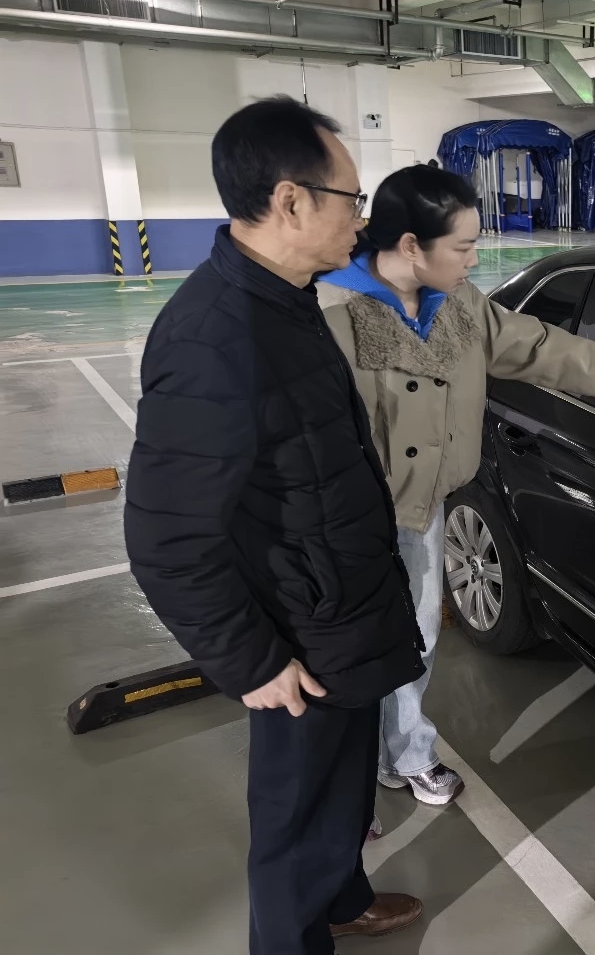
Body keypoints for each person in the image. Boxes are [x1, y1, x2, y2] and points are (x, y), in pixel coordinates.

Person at [123, 97, 426, 954]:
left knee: (342, 784)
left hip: (337, 605)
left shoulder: (284, 299)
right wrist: (250, 660)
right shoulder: (214, 339)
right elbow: (165, 537)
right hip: (294, 628)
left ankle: (341, 899)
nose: (361, 219)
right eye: (352, 199)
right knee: (296, 808)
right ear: (291, 201)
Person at [316, 165, 595, 807]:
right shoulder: (332, 315)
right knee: (365, 648)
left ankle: (399, 754)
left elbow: (533, 345)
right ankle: (374, 765)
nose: (474, 260)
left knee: (415, 638)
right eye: (462, 247)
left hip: (422, 510)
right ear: (410, 246)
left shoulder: (458, 305)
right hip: (353, 521)